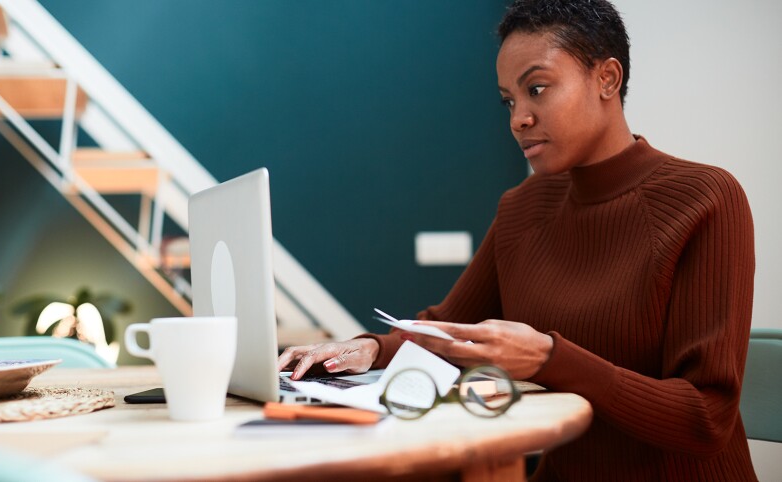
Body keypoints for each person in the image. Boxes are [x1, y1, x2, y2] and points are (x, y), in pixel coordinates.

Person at [277, 0, 757, 480]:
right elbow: (448, 327)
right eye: (509, 100)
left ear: (607, 79)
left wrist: (550, 358)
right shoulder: (524, 206)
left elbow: (705, 418)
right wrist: (370, 351)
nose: (518, 119)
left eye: (538, 89)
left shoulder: (706, 199)